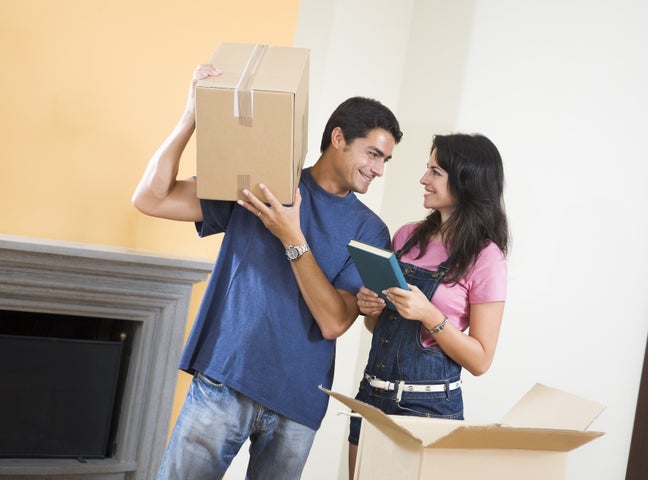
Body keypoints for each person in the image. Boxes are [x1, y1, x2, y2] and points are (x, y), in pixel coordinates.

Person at [132, 63, 402, 480]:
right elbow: (151, 198)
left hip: (297, 403)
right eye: (373, 154)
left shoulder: (370, 230)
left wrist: (292, 236)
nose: (379, 169)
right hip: (224, 379)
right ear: (338, 139)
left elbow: (333, 321)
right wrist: (191, 115)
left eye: (386, 160)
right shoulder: (266, 183)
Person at [347, 133, 509, 477]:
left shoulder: (486, 259)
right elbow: (379, 327)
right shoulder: (406, 237)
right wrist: (371, 307)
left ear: (465, 181)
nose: (423, 179)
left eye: (435, 171)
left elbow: (480, 360)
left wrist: (430, 316)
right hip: (372, 395)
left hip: (430, 410)